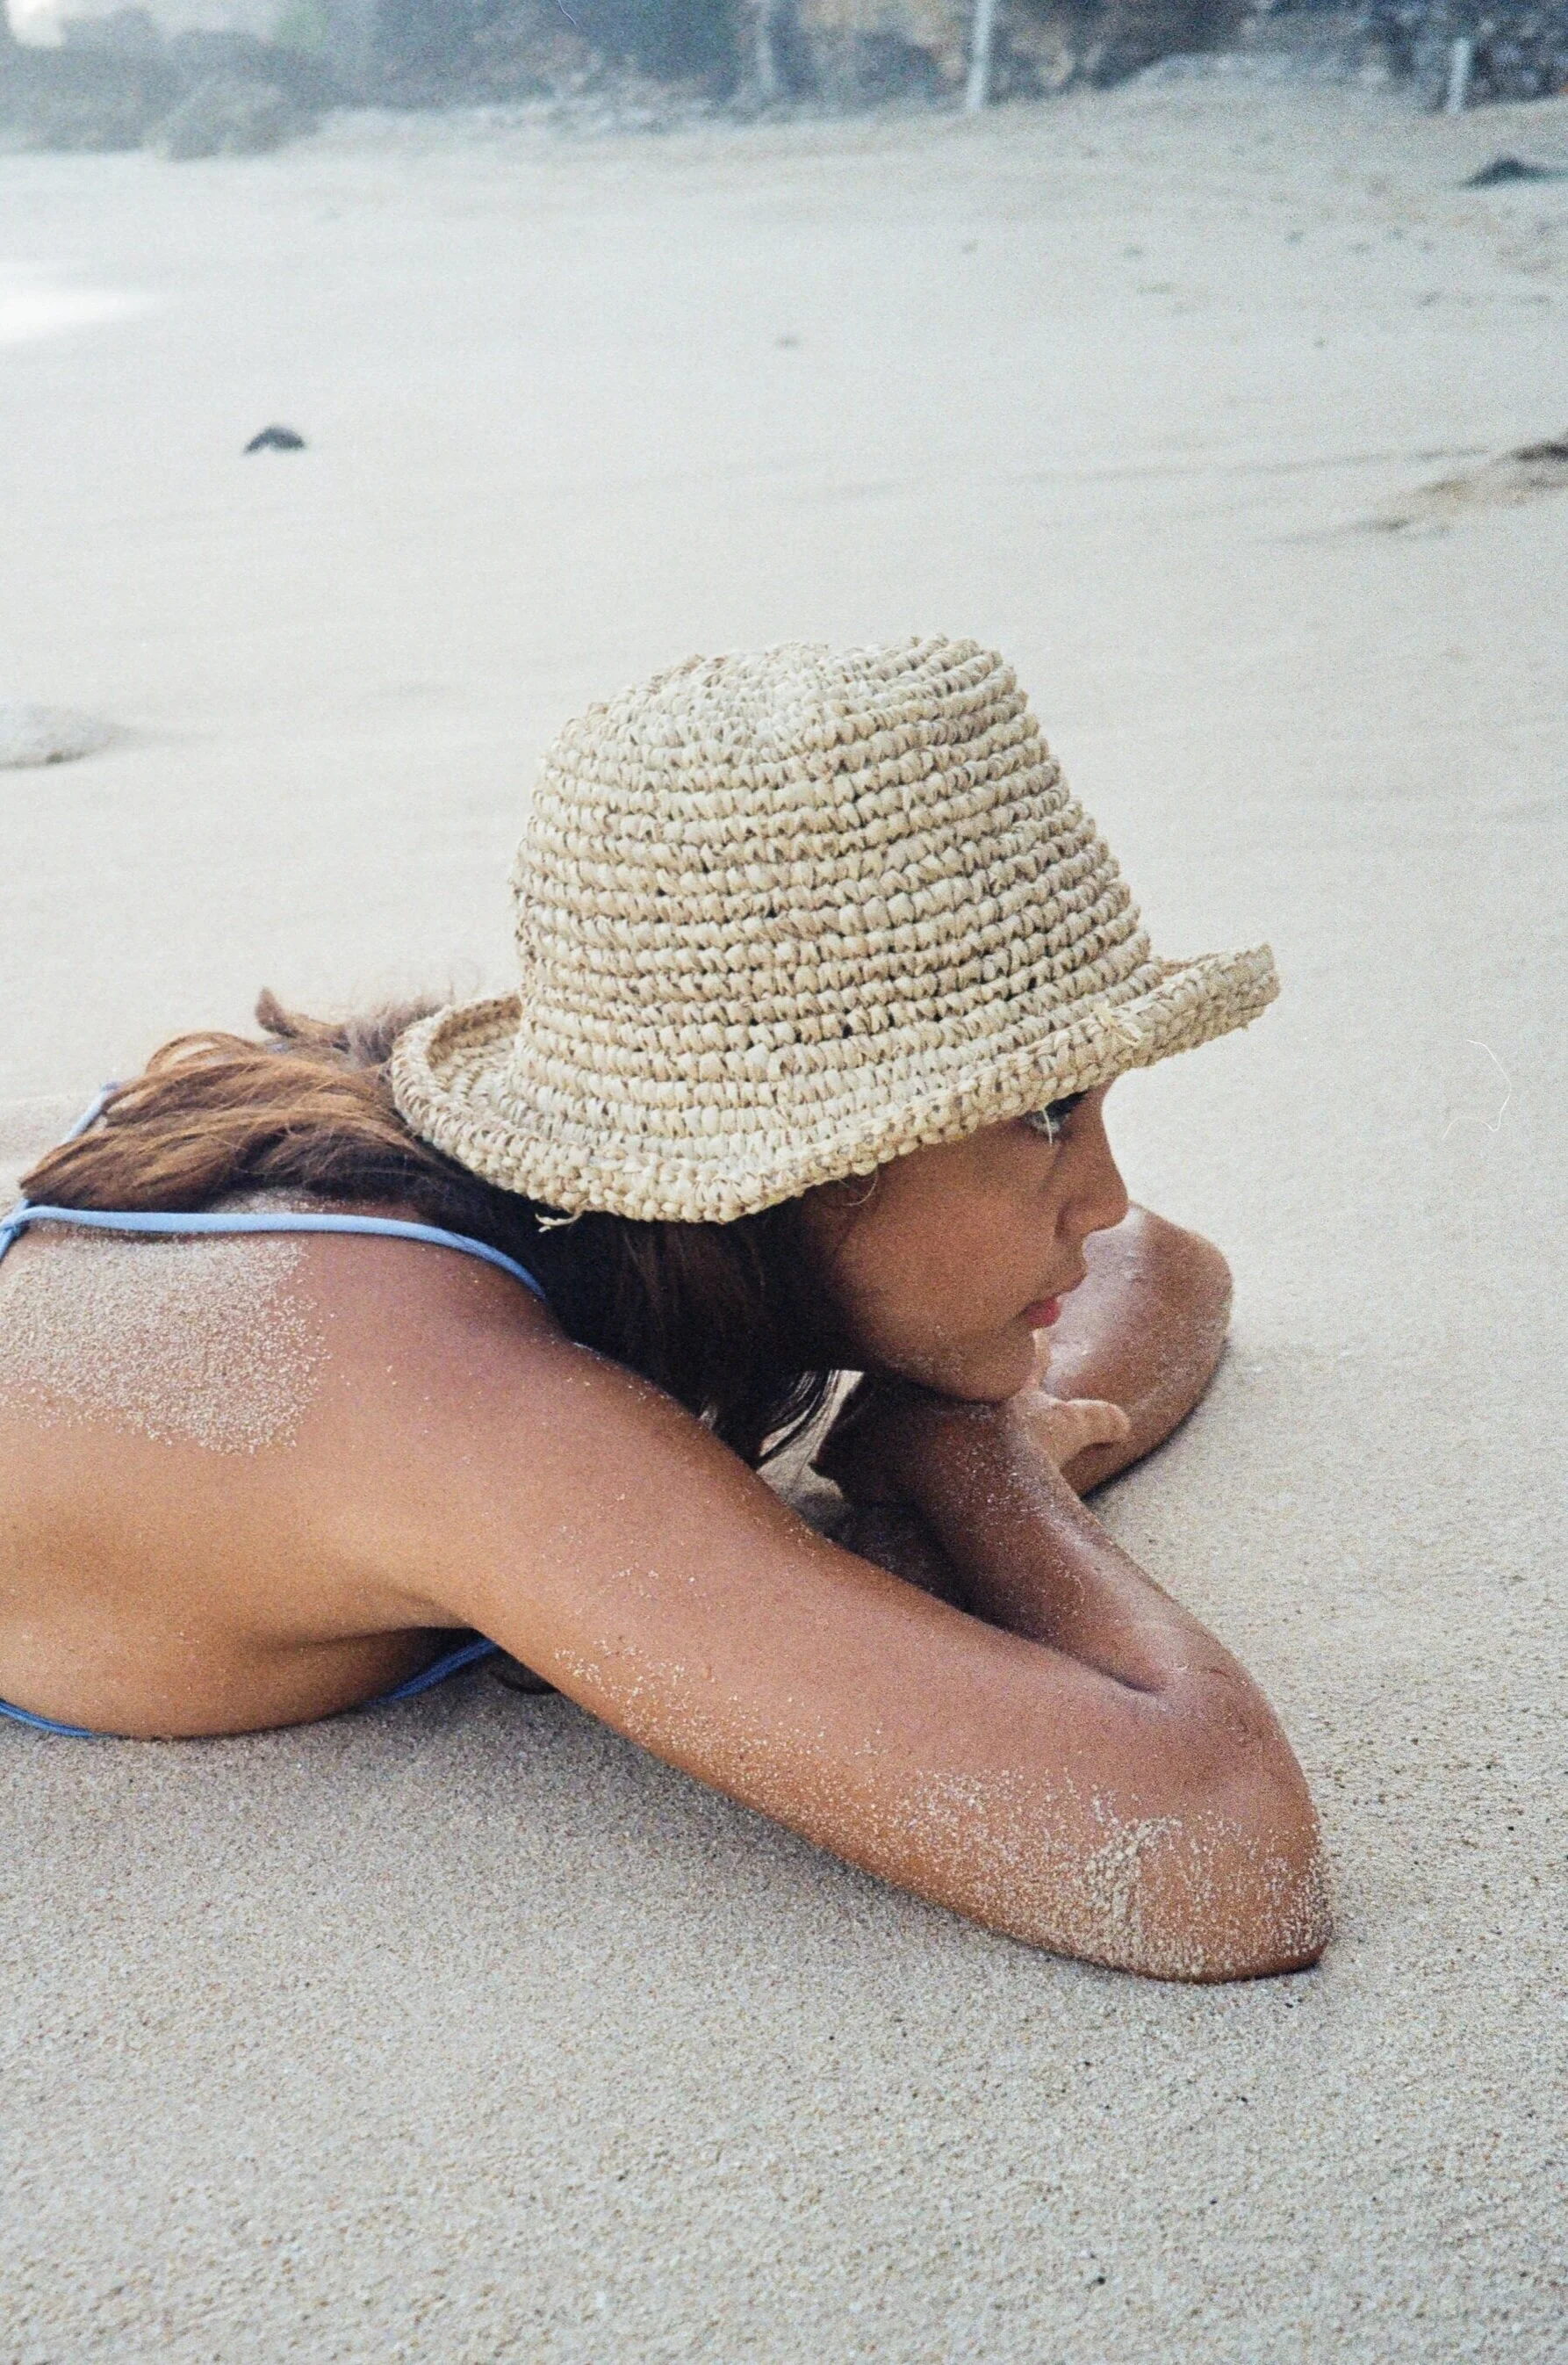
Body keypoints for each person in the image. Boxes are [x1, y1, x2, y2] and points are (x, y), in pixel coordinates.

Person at [0, 638, 1328, 1982]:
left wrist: (956, 1408)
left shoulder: (593, 1216)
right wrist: (975, 1466)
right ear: (818, 1161)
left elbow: (1159, 1263)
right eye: (1044, 1118)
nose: (1100, 1194)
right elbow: (1210, 1866)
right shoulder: (458, 1410)